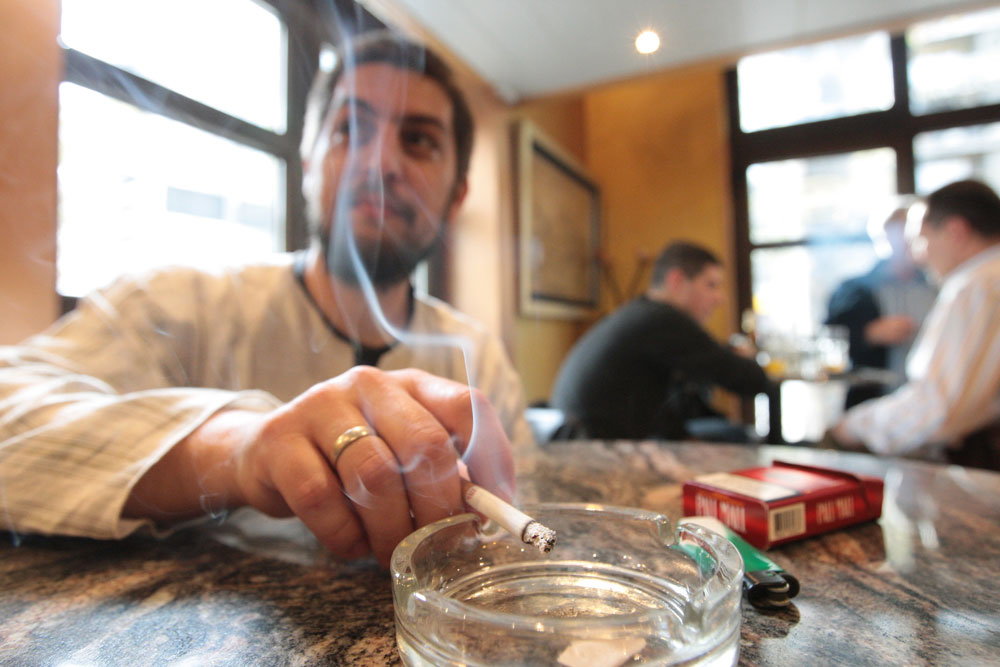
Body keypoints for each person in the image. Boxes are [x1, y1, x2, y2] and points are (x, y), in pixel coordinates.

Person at [0, 32, 531, 567]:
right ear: (309, 162)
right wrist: (236, 449)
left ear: (458, 195)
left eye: (418, 140)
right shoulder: (175, 305)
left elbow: (521, 516)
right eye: (350, 129)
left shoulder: (477, 359)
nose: (378, 163)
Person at [828, 179, 1000, 469]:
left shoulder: (975, 286)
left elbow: (937, 409)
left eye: (921, 239)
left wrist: (852, 428)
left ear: (956, 231)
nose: (918, 255)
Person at [551, 241, 771, 441]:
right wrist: (749, 359)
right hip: (604, 445)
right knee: (736, 435)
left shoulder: (641, 313)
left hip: (582, 439)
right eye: (711, 285)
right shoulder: (664, 320)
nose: (719, 298)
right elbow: (750, 381)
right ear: (676, 280)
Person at [825, 197, 937, 408]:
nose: (912, 240)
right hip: (875, 403)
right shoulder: (855, 290)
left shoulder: (939, 286)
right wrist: (868, 334)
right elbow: (829, 341)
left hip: (931, 402)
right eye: (904, 231)